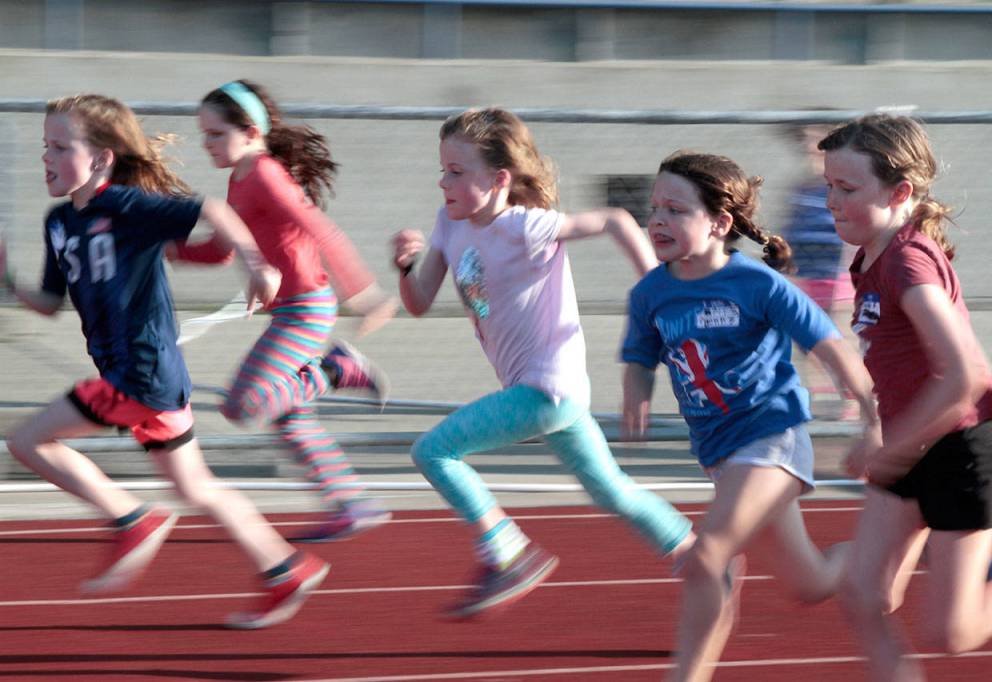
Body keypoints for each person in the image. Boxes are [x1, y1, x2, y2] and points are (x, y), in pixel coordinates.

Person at [0, 93, 328, 629]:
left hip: (143, 372)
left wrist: (257, 266)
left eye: (61, 147)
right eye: (45, 147)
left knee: (28, 440)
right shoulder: (59, 223)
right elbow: (48, 302)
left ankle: (131, 517)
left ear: (103, 158)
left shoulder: (127, 207)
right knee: (196, 488)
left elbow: (210, 209)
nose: (47, 158)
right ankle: (285, 567)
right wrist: (7, 280)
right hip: (139, 378)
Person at [390, 107, 695, 620]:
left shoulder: (526, 226)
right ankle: (700, 559)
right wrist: (405, 266)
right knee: (612, 490)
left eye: (457, 173)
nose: (443, 181)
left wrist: (656, 288)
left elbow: (616, 221)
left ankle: (507, 551)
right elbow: (419, 301)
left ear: (499, 180)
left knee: (434, 451)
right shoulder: (449, 223)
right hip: (550, 394)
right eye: (442, 169)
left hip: (546, 388)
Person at [619, 150, 877, 682]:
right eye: (655, 208)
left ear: (719, 223)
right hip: (720, 452)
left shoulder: (759, 286)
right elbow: (640, 357)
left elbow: (830, 347)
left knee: (709, 558)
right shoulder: (651, 293)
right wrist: (635, 397)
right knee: (808, 583)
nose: (658, 220)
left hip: (772, 437)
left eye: (676, 209)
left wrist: (872, 416)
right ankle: (884, 546)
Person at [820, 114, 992, 681]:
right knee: (863, 597)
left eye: (847, 189)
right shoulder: (871, 256)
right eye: (828, 187)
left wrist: (891, 446)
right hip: (913, 450)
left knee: (950, 635)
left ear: (900, 191)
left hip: (960, 454)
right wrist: (885, 433)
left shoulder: (907, 262)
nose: (831, 202)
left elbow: (967, 375)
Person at [168, 80, 396, 542]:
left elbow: (320, 229)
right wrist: (172, 250)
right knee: (286, 412)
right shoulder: (240, 179)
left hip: (308, 309)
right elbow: (223, 251)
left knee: (242, 404)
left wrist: (365, 292)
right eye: (203, 135)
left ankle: (335, 369)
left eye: (214, 134)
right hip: (289, 311)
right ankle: (350, 502)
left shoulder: (266, 173)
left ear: (250, 130)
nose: (206, 144)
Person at [779, 119, 858, 420]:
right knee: (807, 339)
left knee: (839, 339)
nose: (808, 145)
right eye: (805, 139)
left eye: (815, 138)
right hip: (806, 274)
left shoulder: (837, 183)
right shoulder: (801, 187)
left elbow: (853, 223)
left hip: (836, 273)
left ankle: (850, 394)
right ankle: (816, 396)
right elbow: (790, 229)